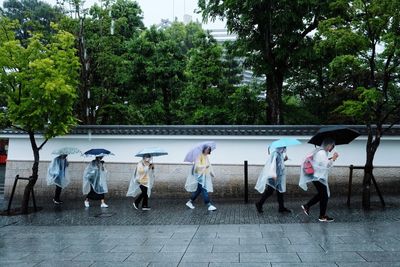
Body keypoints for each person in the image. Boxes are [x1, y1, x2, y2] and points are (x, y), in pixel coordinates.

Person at [299, 138, 339, 222]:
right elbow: (326, 165)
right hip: (318, 177)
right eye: (332, 146)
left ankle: (307, 206)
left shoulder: (319, 151)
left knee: (322, 195)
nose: (332, 148)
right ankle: (322, 215)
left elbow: (320, 163)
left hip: (317, 177)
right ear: (328, 145)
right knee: (324, 196)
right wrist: (334, 159)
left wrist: (331, 158)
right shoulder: (322, 153)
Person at [254, 146, 291, 213]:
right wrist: (273, 175)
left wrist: (284, 160)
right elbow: (273, 165)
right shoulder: (275, 154)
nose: (285, 149)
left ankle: (281, 207)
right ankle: (259, 204)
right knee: (269, 192)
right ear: (281, 148)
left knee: (280, 192)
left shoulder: (279, 154)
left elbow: (279, 164)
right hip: (273, 177)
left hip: (278, 177)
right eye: (284, 148)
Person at [185, 145, 217, 211]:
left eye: (209, 149)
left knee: (199, 190)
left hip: (204, 175)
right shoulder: (199, 156)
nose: (208, 150)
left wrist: (211, 173)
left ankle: (190, 202)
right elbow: (197, 166)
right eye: (207, 149)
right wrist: (205, 166)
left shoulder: (206, 156)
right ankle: (208, 204)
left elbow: (209, 165)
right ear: (204, 149)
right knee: (204, 188)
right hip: (199, 175)